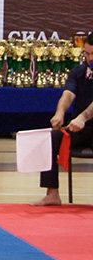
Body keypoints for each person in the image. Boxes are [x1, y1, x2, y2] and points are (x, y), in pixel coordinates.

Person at [32, 38, 93, 206]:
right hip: (80, 129)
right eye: (87, 54)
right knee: (50, 138)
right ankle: (52, 194)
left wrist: (82, 117)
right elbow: (68, 94)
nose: (90, 58)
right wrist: (60, 113)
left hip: (83, 122)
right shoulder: (78, 72)